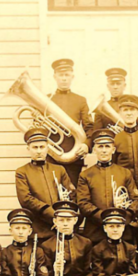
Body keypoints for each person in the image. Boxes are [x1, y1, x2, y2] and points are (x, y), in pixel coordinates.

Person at [76, 128, 138, 244]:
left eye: (107, 146)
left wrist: (122, 219)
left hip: (122, 231)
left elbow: (136, 200)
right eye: (100, 147)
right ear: (94, 149)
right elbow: (83, 203)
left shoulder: (125, 172)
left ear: (113, 149)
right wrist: (106, 219)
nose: (104, 150)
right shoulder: (85, 175)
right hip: (95, 232)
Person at [14, 128, 75, 241]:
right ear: (28, 149)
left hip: (61, 226)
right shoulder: (22, 172)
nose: (38, 151)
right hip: (39, 228)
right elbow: (25, 199)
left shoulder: (59, 169)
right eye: (35, 147)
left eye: (42, 147)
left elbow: (71, 194)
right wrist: (52, 214)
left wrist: (64, 216)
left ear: (47, 148)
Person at [47, 58, 94, 186]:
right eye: (61, 75)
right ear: (55, 77)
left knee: (72, 193)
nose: (64, 78)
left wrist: (87, 145)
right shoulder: (46, 100)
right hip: (51, 157)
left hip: (73, 157)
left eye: (67, 75)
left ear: (72, 77)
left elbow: (89, 127)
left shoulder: (80, 100)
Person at [90, 208, 138, 276]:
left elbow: (132, 273)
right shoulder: (98, 249)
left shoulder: (130, 248)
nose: (115, 230)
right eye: (111, 226)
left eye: (118, 226)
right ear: (105, 228)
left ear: (123, 227)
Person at [112, 94, 138, 187]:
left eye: (132, 110)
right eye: (125, 110)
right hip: (123, 186)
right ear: (119, 113)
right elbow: (113, 168)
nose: (129, 113)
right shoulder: (115, 140)